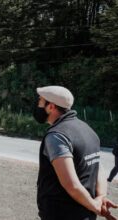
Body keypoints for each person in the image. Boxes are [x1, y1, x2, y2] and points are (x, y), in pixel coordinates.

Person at [34, 86, 117, 220]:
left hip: (63, 214)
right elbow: (97, 167)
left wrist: (96, 206)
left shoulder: (57, 136)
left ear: (51, 107)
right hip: (86, 213)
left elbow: (71, 184)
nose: (37, 105)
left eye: (40, 101)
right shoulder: (87, 130)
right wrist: (101, 197)